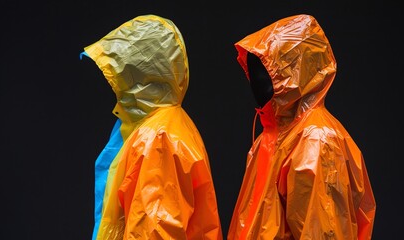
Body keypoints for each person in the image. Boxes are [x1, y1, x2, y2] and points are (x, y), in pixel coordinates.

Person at [227, 14, 376, 239]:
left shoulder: (315, 141)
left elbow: (324, 233)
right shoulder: (273, 138)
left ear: (295, 73)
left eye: (267, 72)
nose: (256, 83)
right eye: (254, 73)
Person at [83, 14, 223, 239]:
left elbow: (154, 231)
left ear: (141, 74)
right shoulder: (167, 125)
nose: (113, 83)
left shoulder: (158, 138)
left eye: (119, 72)